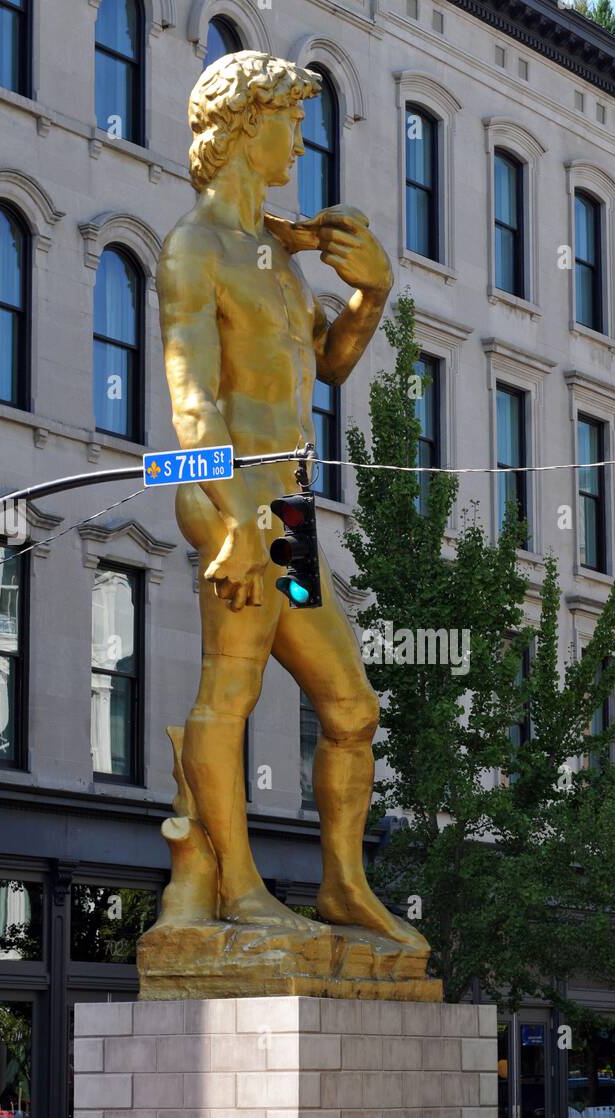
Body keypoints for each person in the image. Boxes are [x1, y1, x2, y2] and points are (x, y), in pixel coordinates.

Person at [156, 51, 428, 956]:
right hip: (234, 501)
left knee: (351, 707)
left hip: (293, 518)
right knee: (229, 688)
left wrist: (372, 293)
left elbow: (332, 364)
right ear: (243, 126)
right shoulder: (194, 249)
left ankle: (344, 887)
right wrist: (232, 519)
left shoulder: (273, 252)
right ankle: (231, 889)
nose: (302, 139)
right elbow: (191, 397)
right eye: (290, 121)